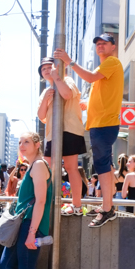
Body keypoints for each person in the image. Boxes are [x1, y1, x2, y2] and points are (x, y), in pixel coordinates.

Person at [54, 33, 123, 227]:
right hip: (101, 123)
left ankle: (107, 209)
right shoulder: (106, 66)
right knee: (105, 166)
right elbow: (102, 92)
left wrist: (70, 62)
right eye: (98, 44)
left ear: (113, 47)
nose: (100, 46)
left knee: (102, 166)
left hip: (103, 124)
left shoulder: (112, 63)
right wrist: (87, 103)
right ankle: (108, 206)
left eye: (104, 43)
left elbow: (91, 78)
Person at [0, 132, 52, 269]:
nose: (22, 145)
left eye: (26, 142)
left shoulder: (39, 165)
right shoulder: (31, 166)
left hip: (31, 225)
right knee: (7, 266)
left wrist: (32, 233)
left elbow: (40, 201)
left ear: (37, 144)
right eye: (20, 142)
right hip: (24, 224)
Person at [37, 57, 86, 216]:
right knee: (47, 168)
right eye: (43, 69)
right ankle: (46, 201)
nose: (46, 70)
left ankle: (77, 206)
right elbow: (41, 115)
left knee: (71, 168)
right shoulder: (45, 91)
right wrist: (45, 98)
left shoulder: (67, 80)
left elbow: (66, 94)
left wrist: (57, 77)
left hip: (69, 129)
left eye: (49, 67)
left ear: (58, 67)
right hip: (52, 134)